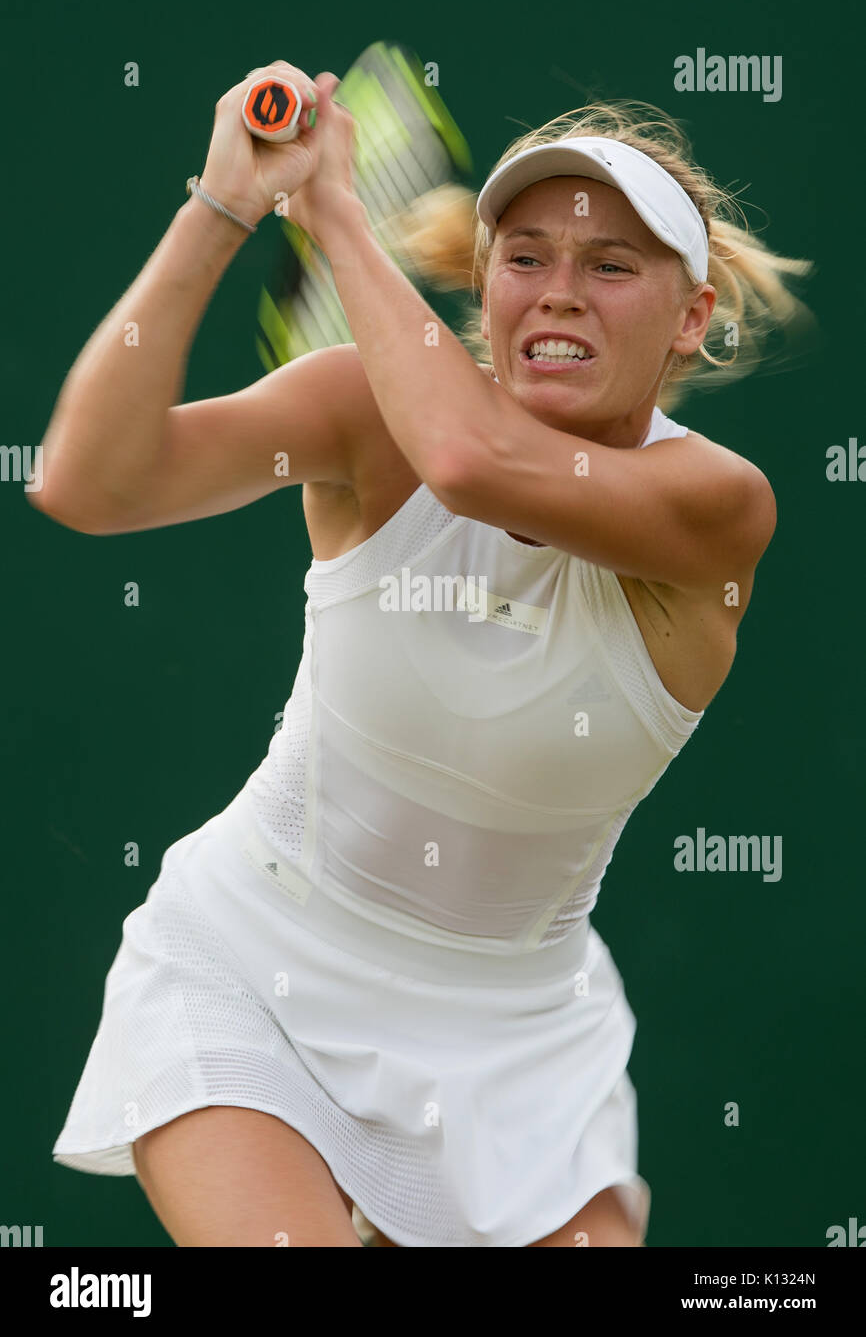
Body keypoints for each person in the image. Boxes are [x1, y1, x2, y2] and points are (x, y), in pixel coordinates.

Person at [36, 63, 811, 1247]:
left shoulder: (717, 504)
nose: (560, 293)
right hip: (254, 970)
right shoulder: (363, 412)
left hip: (519, 1045)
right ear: (489, 285)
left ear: (691, 319)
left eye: (609, 267)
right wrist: (226, 205)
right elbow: (89, 481)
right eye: (526, 258)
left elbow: (468, 462)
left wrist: (332, 209)